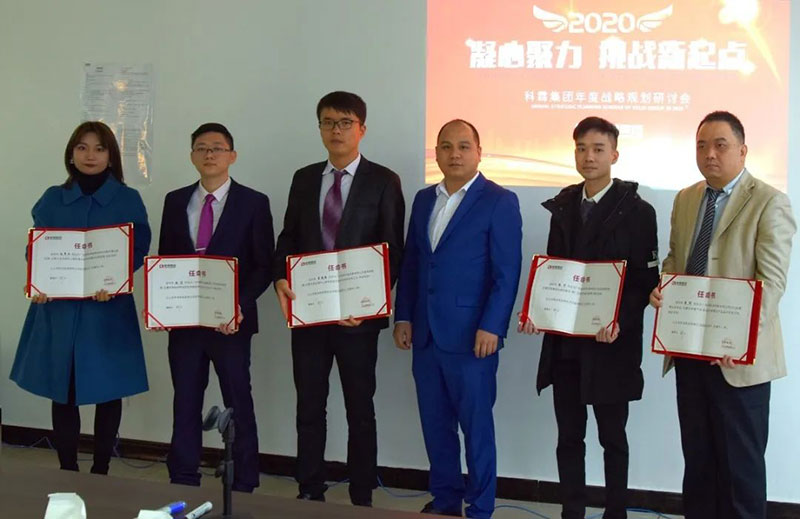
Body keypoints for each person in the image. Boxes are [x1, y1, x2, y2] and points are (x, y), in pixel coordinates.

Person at [649, 111, 795, 519]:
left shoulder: (770, 201)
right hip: (689, 352)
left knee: (740, 470)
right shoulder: (686, 198)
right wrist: (664, 287)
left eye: (720, 145)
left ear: (743, 151)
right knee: (699, 463)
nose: (709, 154)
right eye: (701, 146)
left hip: (737, 361)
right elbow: (676, 259)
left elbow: (771, 283)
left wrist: (740, 338)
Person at [519, 117, 659, 519]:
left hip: (611, 344)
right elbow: (553, 272)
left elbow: (644, 281)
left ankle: (616, 512)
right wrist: (538, 312)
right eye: (581, 148)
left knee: (613, 438)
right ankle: (572, 512)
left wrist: (619, 320)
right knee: (569, 437)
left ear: (615, 155)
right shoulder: (563, 206)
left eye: (598, 149)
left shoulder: (638, 211)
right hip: (566, 345)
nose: (589, 156)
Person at [273, 91, 404, 507]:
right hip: (309, 315)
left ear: (361, 129)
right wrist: (280, 278)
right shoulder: (304, 178)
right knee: (309, 408)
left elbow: (393, 250)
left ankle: (361, 493)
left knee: (359, 410)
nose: (336, 130)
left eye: (345, 122)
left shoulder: (383, 180)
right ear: (320, 129)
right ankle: (309, 488)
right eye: (328, 122)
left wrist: (369, 304)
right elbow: (288, 238)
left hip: (357, 322)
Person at [393, 119, 522, 519]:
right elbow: (413, 263)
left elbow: (506, 273)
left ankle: (480, 507)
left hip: (472, 337)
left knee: (476, 428)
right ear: (436, 153)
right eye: (446, 147)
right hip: (426, 334)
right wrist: (404, 316)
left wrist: (493, 325)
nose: (455, 154)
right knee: (436, 425)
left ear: (479, 152)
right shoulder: (423, 199)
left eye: (464, 146)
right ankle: (446, 499)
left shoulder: (499, 201)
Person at [10, 121, 151, 474]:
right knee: (64, 390)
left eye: (100, 148)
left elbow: (138, 249)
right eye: (82, 147)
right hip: (59, 310)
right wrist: (39, 282)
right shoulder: (52, 198)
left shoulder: (128, 199)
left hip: (108, 309)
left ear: (111, 156)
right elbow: (36, 249)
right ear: (71, 154)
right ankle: (68, 469)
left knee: (109, 390)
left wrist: (114, 280)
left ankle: (101, 469)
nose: (91, 155)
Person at [156, 122, 274, 492]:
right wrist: (162, 306)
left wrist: (238, 305)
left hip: (231, 324)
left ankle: (244, 479)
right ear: (192, 155)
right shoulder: (175, 201)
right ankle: (183, 474)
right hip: (185, 323)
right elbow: (166, 261)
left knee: (237, 400)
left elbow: (264, 265)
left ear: (232, 156)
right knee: (185, 399)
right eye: (202, 148)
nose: (210, 154)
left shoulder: (254, 202)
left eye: (218, 148)